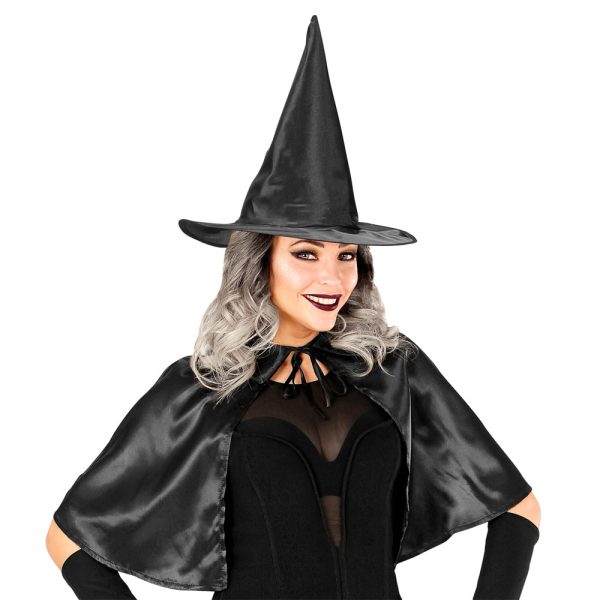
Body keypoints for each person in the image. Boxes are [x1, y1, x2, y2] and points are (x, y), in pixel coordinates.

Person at [46, 15, 540, 600]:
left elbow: (518, 510)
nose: (333, 277)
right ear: (261, 263)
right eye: (306, 254)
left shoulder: (393, 369)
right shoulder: (201, 388)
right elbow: (69, 539)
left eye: (346, 256)